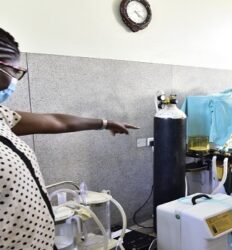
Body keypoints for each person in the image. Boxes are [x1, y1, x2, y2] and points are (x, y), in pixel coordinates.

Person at [0, 27, 138, 249]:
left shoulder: (2, 115)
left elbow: (56, 122)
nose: (14, 82)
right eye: (14, 71)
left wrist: (104, 123)